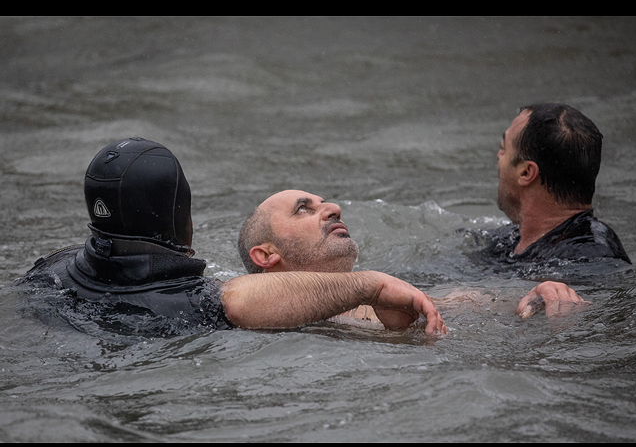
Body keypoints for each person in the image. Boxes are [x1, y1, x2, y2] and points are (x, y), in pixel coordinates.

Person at [13, 138, 447, 337]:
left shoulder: (51, 269)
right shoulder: (192, 299)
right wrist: (370, 284)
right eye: (303, 208)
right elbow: (235, 301)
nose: (332, 208)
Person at [238, 189, 585, 322]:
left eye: (323, 201)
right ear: (266, 255)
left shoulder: (384, 297)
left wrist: (537, 294)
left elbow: (462, 304)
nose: (333, 208)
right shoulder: (245, 314)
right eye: (303, 209)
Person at [478, 103, 630, 265]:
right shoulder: (509, 239)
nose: (498, 156)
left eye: (504, 149)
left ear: (526, 172)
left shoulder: (594, 257)